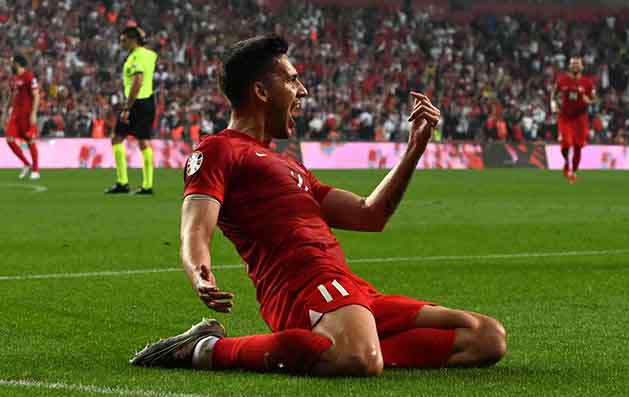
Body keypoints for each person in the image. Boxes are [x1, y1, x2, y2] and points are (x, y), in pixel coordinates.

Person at [131, 35, 507, 376]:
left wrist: (414, 150)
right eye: (292, 80)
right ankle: (207, 349)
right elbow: (196, 228)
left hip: (348, 288)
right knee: (358, 358)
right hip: (300, 286)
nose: (303, 90)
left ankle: (337, 346)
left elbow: (369, 215)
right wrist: (199, 273)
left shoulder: (291, 166)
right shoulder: (219, 150)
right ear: (261, 91)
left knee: (486, 337)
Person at [105, 27, 157, 195]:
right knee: (141, 140)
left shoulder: (136, 57)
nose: (121, 43)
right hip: (148, 101)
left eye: (124, 40)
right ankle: (146, 185)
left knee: (118, 138)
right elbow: (148, 46)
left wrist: (127, 107)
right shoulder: (149, 54)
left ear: (133, 40)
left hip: (136, 102)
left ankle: (124, 183)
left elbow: (137, 81)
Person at [551, 56, 596, 184]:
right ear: (569, 66)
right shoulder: (562, 80)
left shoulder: (588, 82)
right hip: (565, 116)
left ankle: (574, 172)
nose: (575, 66)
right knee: (566, 143)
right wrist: (553, 105)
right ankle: (566, 163)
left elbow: (594, 99)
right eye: (573, 64)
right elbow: (553, 94)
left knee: (578, 146)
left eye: (577, 64)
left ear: (582, 66)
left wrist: (589, 101)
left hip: (580, 118)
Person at [4, 54, 40, 180]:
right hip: (15, 113)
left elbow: (36, 95)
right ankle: (26, 163)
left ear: (17, 63)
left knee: (30, 141)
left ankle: (35, 169)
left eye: (12, 62)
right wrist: (6, 110)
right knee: (9, 139)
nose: (10, 64)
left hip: (26, 113)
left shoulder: (29, 76)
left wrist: (34, 113)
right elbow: (12, 95)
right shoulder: (14, 78)